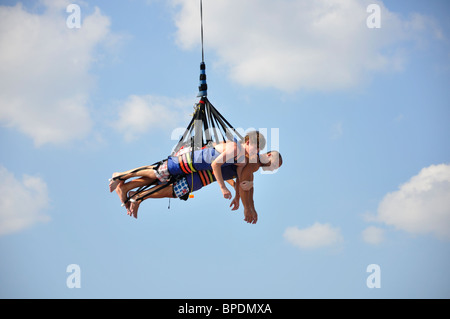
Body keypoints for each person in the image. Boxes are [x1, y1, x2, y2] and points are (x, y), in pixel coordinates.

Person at [111, 150, 282, 223]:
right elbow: (245, 186)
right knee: (160, 174)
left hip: (202, 174)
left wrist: (247, 204)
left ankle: (132, 192)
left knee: (167, 183)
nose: (273, 168)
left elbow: (242, 182)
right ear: (268, 155)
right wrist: (248, 208)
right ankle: (122, 180)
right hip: (197, 164)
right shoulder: (253, 161)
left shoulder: (253, 165)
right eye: (275, 163)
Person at [109, 131, 266, 200]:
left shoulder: (243, 160)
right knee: (157, 172)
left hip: (196, 171)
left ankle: (134, 195)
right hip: (189, 161)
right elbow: (215, 165)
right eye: (257, 148)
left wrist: (239, 194)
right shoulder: (235, 148)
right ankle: (120, 176)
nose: (257, 152)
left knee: (165, 183)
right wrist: (222, 188)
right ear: (248, 142)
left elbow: (239, 175)